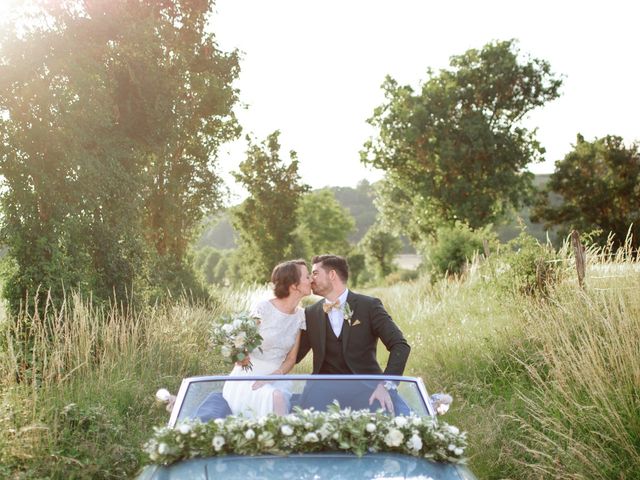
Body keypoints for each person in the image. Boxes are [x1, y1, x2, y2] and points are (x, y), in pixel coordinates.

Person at [296, 254, 410, 413]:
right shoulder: (310, 313)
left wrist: (385, 386)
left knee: (383, 426)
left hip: (366, 389)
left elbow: (400, 345)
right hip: (323, 392)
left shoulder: (369, 306)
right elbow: (294, 355)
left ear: (332, 275)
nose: (311, 279)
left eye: (315, 273)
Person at [222, 259, 311, 417]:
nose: (311, 279)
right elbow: (238, 344)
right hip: (249, 378)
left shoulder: (300, 316)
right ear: (294, 285)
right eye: (307, 276)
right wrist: (240, 357)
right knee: (275, 397)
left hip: (277, 378)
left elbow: (291, 359)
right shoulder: (263, 308)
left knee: (277, 394)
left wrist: (274, 376)